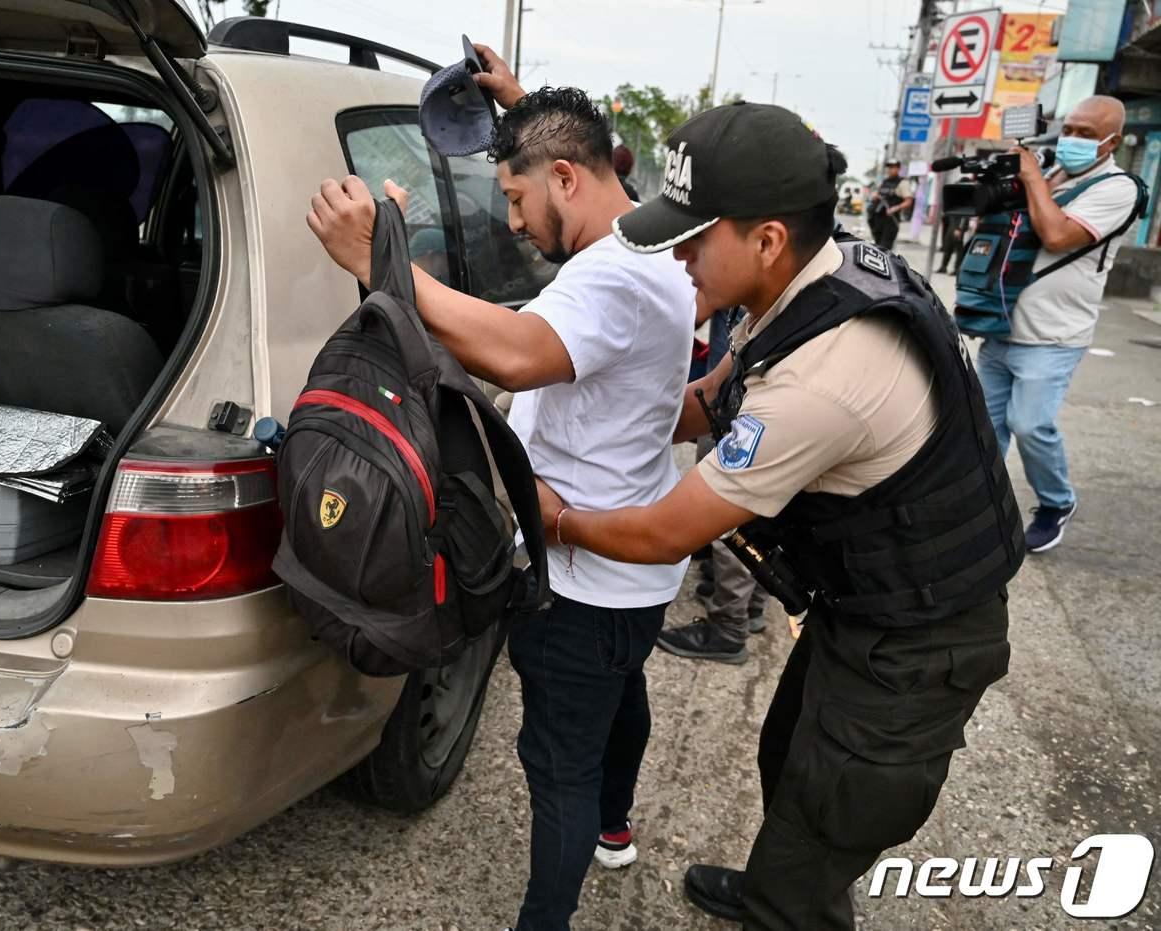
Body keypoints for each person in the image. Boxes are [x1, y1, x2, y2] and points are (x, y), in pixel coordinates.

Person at [537, 102, 1024, 929]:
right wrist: (612, 409)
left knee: (833, 807)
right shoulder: (812, 281)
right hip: (864, 604)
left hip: (921, 635)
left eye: (695, 236)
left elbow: (667, 532)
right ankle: (781, 873)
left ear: (765, 239)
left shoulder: (822, 381)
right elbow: (709, 398)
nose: (677, 252)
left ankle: (787, 899)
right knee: (792, 757)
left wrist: (558, 519)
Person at [307, 48, 695, 931]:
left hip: (581, 574)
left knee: (555, 759)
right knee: (621, 695)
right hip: (632, 579)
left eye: (517, 200)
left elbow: (515, 352)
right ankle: (615, 825)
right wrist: (524, 111)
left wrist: (383, 261)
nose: (513, 224)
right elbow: (596, 159)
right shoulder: (652, 235)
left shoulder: (611, 277)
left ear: (565, 177)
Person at [976, 95, 1143, 552]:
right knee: (984, 433)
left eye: (1087, 134)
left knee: (1029, 424)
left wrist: (1031, 178)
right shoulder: (1052, 173)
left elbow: (1057, 234)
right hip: (1002, 324)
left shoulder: (1118, 188)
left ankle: (1056, 501)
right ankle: (982, 512)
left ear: (1113, 141)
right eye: (1070, 128)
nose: (1073, 139)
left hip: (1053, 335)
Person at [659, 292, 768, 665]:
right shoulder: (797, 283)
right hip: (746, 396)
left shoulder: (749, 274)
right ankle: (750, 605)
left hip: (738, 404)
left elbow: (695, 308)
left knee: (727, 513)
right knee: (753, 511)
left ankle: (728, 627)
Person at [866, 157, 913, 252]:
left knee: (884, 248)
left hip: (891, 220)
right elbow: (877, 196)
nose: (890, 169)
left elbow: (909, 201)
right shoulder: (884, 182)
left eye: (893, 167)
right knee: (877, 245)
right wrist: (875, 196)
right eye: (888, 167)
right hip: (878, 218)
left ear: (898, 168)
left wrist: (896, 208)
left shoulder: (903, 183)